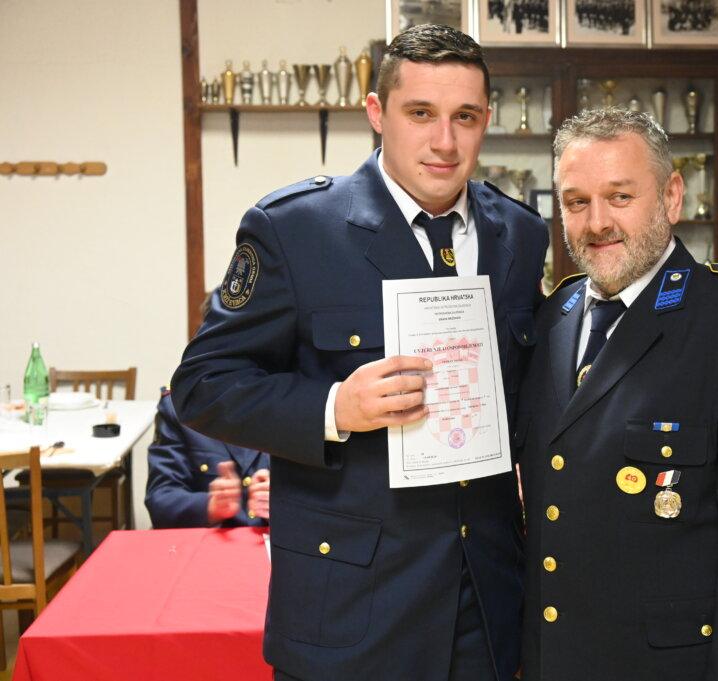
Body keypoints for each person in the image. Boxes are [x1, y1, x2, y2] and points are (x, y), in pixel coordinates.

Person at [171, 24, 548, 681]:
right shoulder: (295, 229)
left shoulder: (519, 233)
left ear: (486, 119)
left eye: (464, 117)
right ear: (376, 112)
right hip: (351, 607)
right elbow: (203, 384)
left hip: (485, 605)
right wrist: (334, 407)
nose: (445, 141)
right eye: (421, 113)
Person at [514, 108, 718, 680]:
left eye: (620, 196)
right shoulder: (553, 317)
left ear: (672, 197)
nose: (597, 222)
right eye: (577, 202)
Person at [145, 388, 270, 528]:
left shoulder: (285, 403)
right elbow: (160, 500)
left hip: (276, 536)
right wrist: (210, 506)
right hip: (209, 536)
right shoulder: (180, 407)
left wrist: (282, 502)